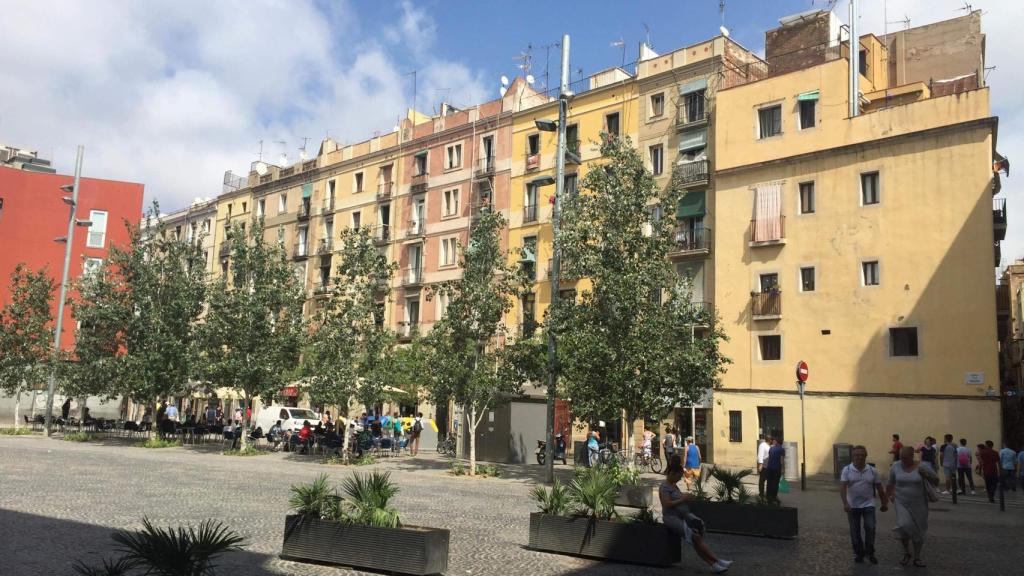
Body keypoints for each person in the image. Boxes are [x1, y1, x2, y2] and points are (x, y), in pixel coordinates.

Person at [660, 462, 732, 574]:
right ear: (672, 473)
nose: (679, 479)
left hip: (682, 516)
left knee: (696, 540)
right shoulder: (664, 487)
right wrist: (683, 499)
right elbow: (666, 503)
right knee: (695, 538)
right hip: (672, 518)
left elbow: (677, 499)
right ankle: (716, 562)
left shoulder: (673, 485)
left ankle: (714, 563)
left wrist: (686, 498)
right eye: (678, 476)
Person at [886, 445, 938, 568]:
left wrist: (927, 475)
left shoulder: (922, 466)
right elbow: (890, 483)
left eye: (905, 458)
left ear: (912, 456)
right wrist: (888, 497)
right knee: (904, 525)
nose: (903, 460)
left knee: (919, 530)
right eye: (901, 457)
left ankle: (917, 557)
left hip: (919, 503)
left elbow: (936, 481)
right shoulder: (896, 466)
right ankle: (906, 552)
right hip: (901, 502)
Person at [840, 445, 888, 564]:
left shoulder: (872, 471)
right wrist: (845, 503)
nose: (859, 457)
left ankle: (870, 552)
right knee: (855, 530)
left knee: (870, 528)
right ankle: (859, 553)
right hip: (852, 506)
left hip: (868, 504)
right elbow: (842, 488)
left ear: (866, 456)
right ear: (853, 456)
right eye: (857, 455)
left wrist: (884, 503)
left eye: (862, 455)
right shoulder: (847, 470)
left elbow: (879, 488)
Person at [764, 437, 785, 504]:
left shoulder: (771, 448)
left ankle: (768, 497)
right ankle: (774, 497)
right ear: (781, 442)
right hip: (776, 468)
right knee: (775, 483)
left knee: (769, 482)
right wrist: (783, 469)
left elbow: (770, 457)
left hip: (769, 468)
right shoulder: (782, 449)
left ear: (776, 442)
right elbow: (781, 460)